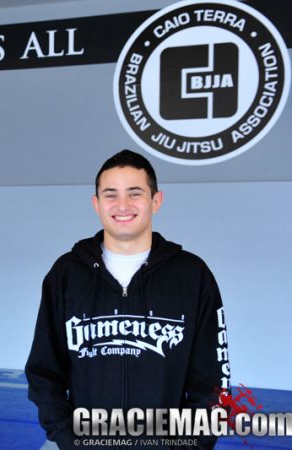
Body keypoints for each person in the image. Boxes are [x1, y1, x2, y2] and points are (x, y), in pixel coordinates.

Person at [25, 150, 230, 449]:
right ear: (96, 204)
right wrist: (68, 438)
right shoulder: (66, 274)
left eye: (135, 193)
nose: (122, 205)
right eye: (111, 195)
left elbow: (213, 380)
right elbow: (44, 370)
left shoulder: (192, 275)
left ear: (156, 201)